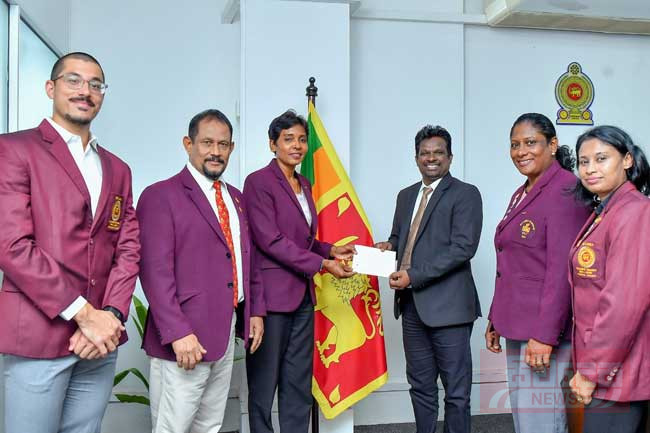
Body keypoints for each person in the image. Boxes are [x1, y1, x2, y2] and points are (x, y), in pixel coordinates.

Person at [0, 52, 140, 433]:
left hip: (99, 344)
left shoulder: (118, 169)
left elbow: (128, 248)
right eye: (73, 80)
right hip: (37, 338)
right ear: (51, 88)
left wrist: (111, 315)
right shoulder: (14, 149)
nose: (85, 91)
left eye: (95, 84)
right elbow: (12, 245)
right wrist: (85, 315)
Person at [138, 109, 265, 433]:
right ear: (188, 144)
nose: (215, 151)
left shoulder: (236, 199)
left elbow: (246, 259)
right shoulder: (160, 196)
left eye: (223, 144)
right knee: (173, 427)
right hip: (184, 337)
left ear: (232, 148)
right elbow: (154, 272)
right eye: (207, 142)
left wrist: (254, 311)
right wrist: (178, 333)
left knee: (210, 425)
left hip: (225, 330)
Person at [243, 109, 355, 433]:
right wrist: (322, 264)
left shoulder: (304, 183)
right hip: (271, 300)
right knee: (264, 385)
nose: (297, 146)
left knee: (298, 384)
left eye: (302, 140)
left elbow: (301, 239)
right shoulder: (258, 182)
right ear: (272, 144)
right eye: (288, 139)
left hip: (303, 298)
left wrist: (330, 250)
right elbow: (271, 240)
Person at [485, 113, 590, 433]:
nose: (521, 151)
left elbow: (562, 271)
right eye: (515, 144)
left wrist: (545, 335)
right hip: (518, 322)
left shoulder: (565, 190)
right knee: (524, 414)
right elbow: (512, 261)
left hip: (543, 330)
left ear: (552, 144)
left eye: (530, 142)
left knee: (541, 419)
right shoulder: (524, 191)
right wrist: (495, 317)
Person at [375, 125, 482, 433]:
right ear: (416, 157)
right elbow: (401, 238)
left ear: (450, 157)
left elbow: (463, 248)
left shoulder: (466, 194)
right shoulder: (406, 196)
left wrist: (413, 275)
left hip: (450, 309)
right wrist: (389, 246)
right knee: (420, 386)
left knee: (456, 392)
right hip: (411, 307)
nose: (431, 158)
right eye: (425, 153)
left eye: (438, 153)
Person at [568, 125, 650, 433]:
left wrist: (592, 371)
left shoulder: (634, 212)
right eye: (584, 161)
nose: (590, 169)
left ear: (627, 160)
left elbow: (624, 304)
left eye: (601, 158)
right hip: (608, 363)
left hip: (618, 369)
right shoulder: (607, 210)